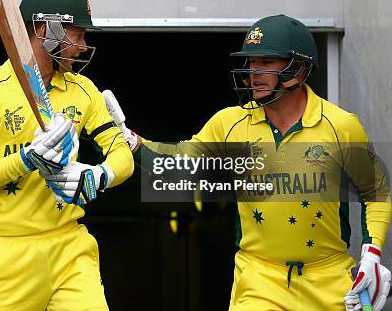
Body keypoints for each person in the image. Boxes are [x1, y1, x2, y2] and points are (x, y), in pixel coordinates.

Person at [103, 15, 392, 311]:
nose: (254, 72)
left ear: (300, 67)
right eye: (251, 62)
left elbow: (376, 192)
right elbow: (179, 164)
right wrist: (133, 143)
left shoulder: (341, 125)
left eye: (267, 62)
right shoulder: (230, 124)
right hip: (259, 279)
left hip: (329, 280)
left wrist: (371, 255)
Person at [0, 0, 134, 311]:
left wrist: (97, 176)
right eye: (77, 35)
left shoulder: (84, 90)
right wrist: (28, 159)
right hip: (5, 253)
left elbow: (122, 154)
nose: (82, 46)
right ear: (46, 28)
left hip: (70, 246)